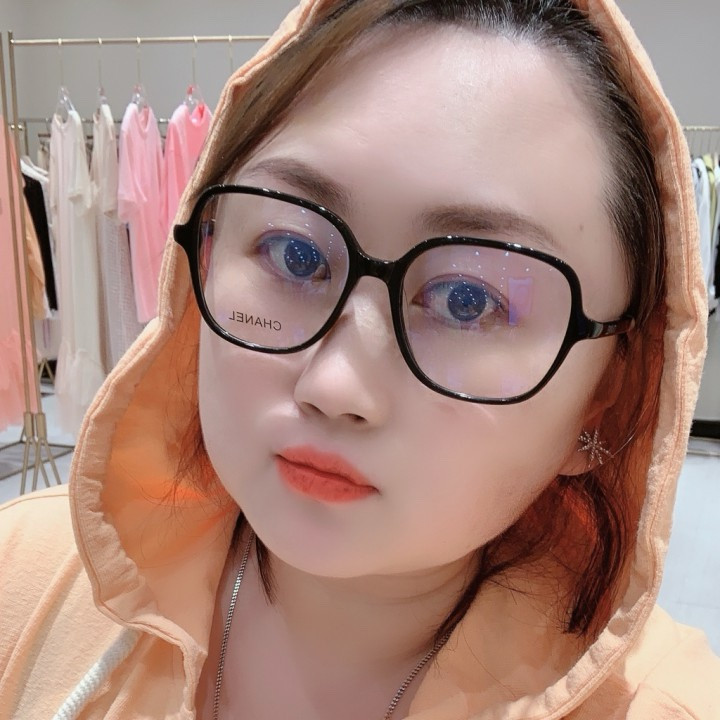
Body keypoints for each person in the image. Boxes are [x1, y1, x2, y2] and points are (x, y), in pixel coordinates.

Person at [1, 0, 719, 718]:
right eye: (295, 253)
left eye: (468, 300)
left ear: (606, 398)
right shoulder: (25, 571)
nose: (335, 385)